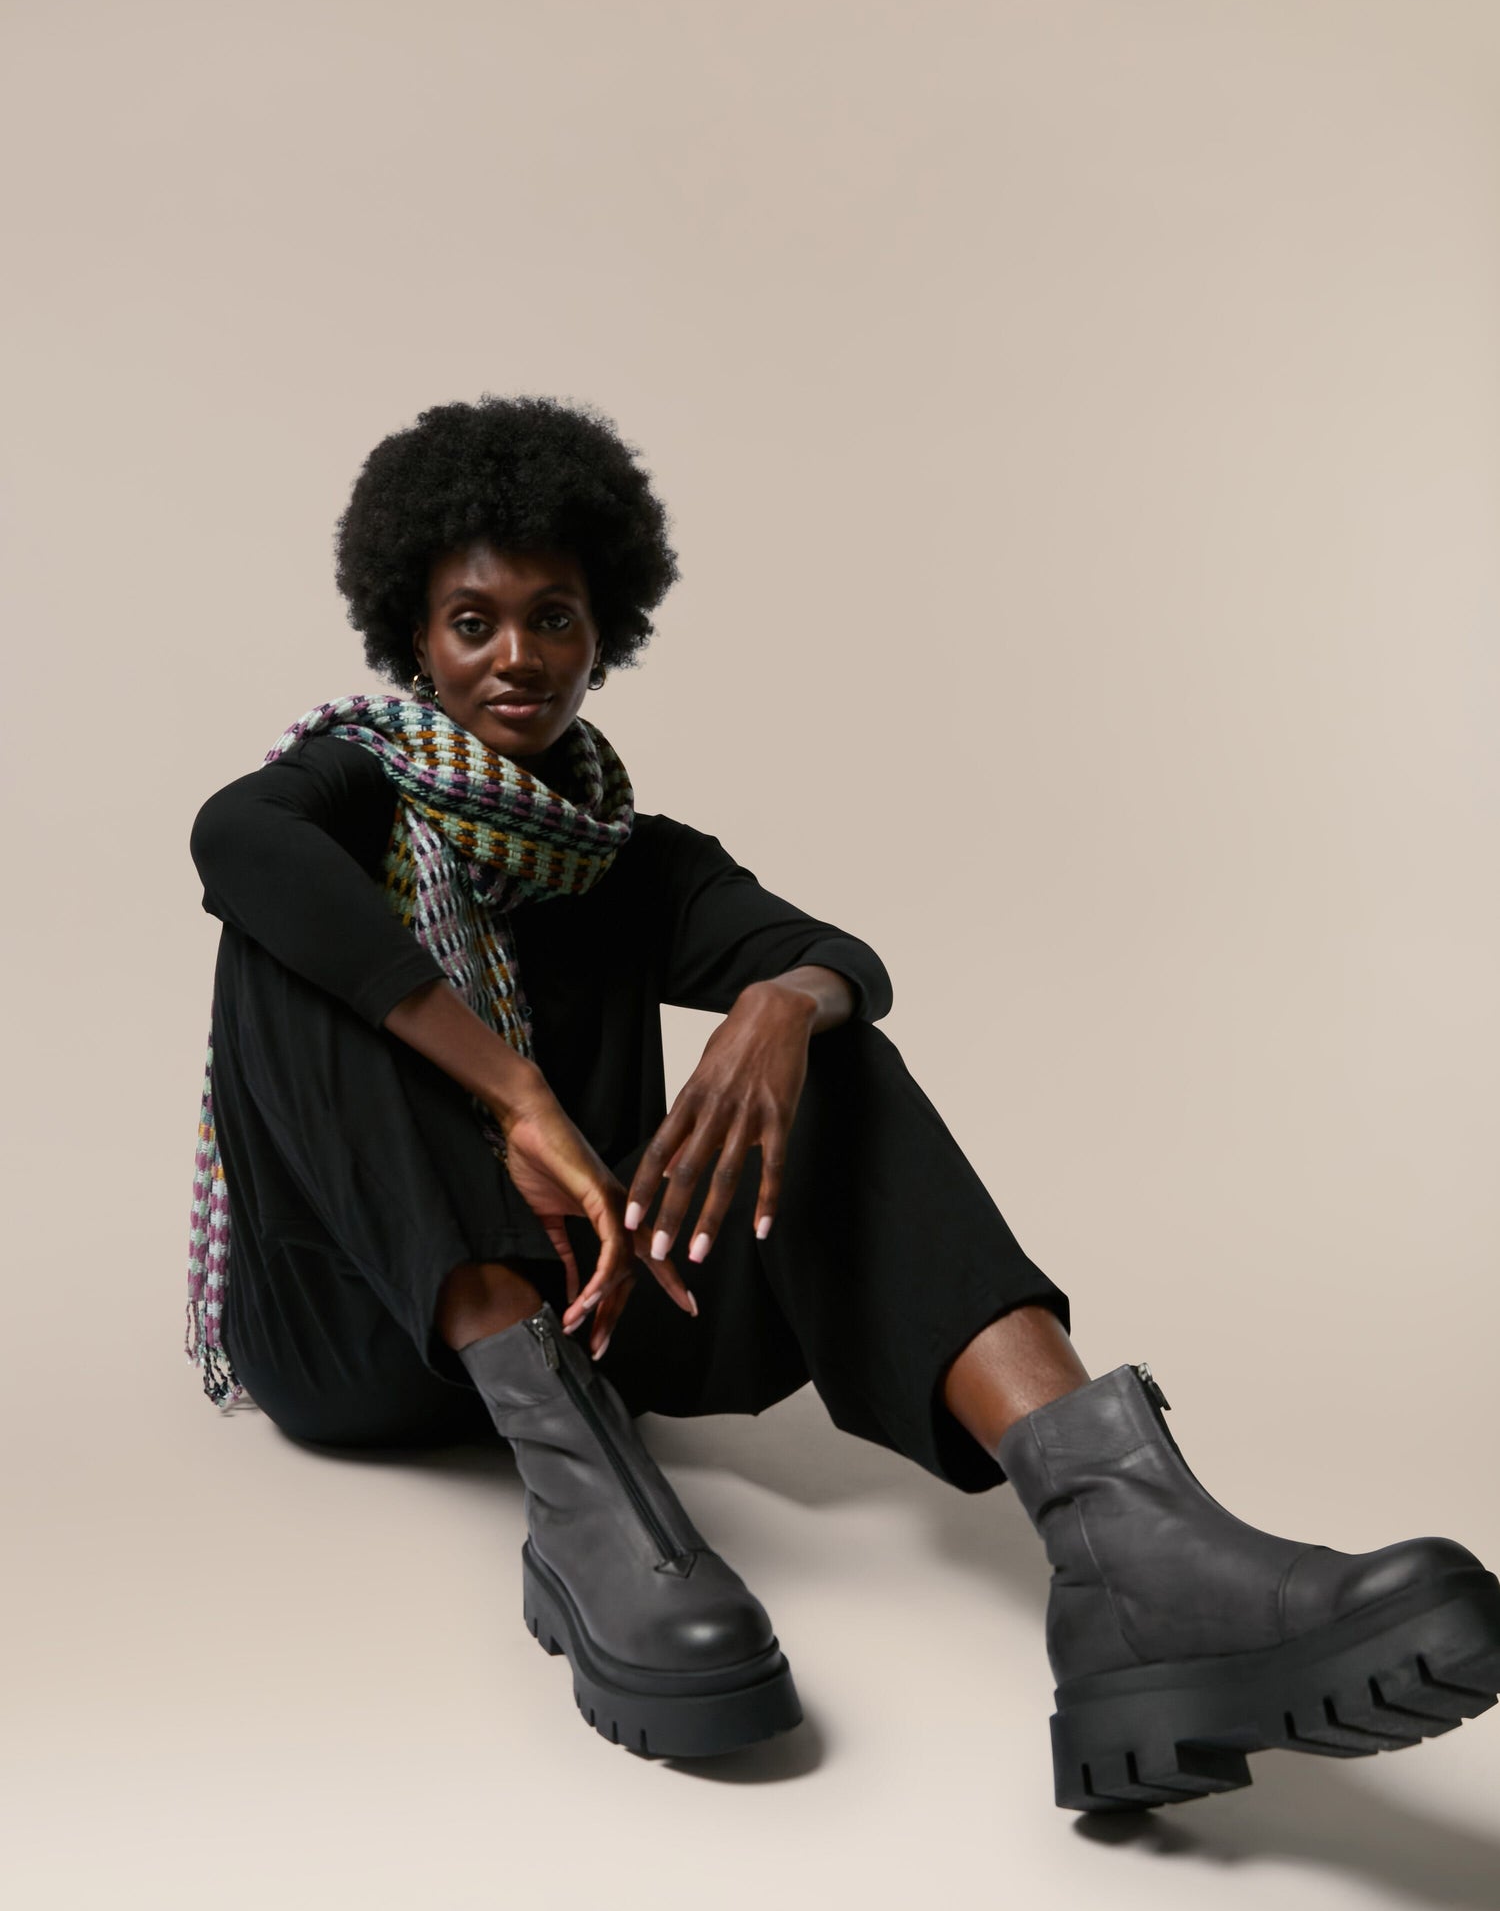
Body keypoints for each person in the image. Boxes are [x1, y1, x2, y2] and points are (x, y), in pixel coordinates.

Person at [184, 394, 1500, 1811]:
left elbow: (840, 955)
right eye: (473, 620)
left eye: (553, 617)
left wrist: (781, 1006)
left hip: (602, 1303)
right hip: (354, 1336)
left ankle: (1130, 1548)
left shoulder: (635, 859)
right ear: (414, 636)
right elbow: (232, 836)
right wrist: (513, 1092)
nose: (518, 658)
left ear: (604, 631)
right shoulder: (348, 793)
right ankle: (585, 1511)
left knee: (830, 1048)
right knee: (286, 940)